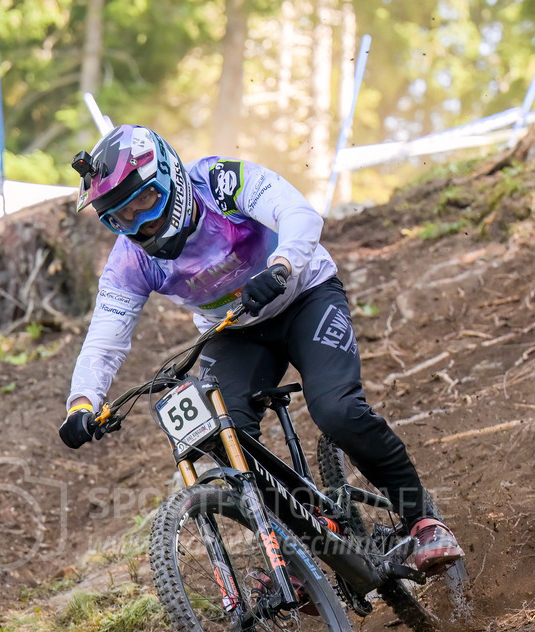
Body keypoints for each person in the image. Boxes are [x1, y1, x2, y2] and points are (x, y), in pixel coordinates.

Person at [59, 124, 463, 574]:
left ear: (170, 175)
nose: (142, 223)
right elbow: (105, 336)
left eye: (146, 202)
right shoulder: (130, 260)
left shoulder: (219, 182)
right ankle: (300, 550)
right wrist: (82, 402)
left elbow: (298, 213)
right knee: (223, 438)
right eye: (121, 217)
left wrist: (281, 265)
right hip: (235, 331)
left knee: (337, 412)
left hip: (304, 295)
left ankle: (422, 519)